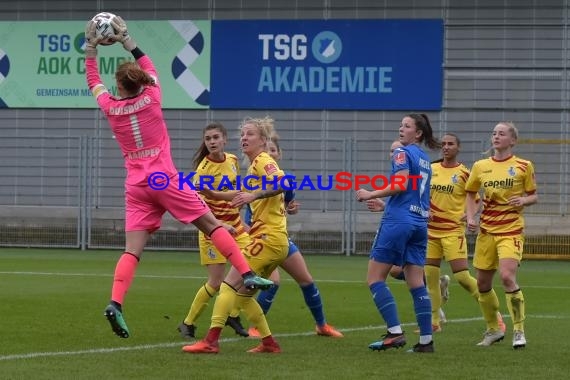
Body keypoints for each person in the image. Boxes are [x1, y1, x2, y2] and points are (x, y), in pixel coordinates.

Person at [84, 17, 272, 339]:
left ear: (119, 87)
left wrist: (90, 47)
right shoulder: (152, 96)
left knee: (132, 251)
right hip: (164, 180)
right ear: (141, 82)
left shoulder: (110, 107)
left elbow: (92, 81)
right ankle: (246, 273)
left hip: (136, 186)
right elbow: (150, 65)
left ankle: (116, 303)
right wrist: (128, 39)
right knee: (213, 226)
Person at [182, 116, 289, 354]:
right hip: (271, 240)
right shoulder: (251, 166)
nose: (244, 138)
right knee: (244, 294)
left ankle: (210, 341)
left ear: (262, 140)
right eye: (243, 134)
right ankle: (269, 343)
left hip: (267, 239)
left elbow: (284, 183)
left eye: (250, 134)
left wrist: (254, 196)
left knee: (227, 286)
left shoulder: (262, 160)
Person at [356, 113, 440, 353]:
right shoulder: (424, 159)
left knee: (375, 279)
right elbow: (415, 195)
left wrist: (370, 194)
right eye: (401, 125)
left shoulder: (401, 152)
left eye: (406, 126)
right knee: (416, 283)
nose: (400, 129)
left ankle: (394, 333)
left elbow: (401, 184)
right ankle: (426, 342)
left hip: (399, 223)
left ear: (418, 132)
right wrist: (387, 206)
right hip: (419, 224)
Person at [247, 135, 343, 338]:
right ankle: (254, 326)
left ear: (279, 154)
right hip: (261, 238)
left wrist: (290, 208)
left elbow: (284, 204)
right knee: (267, 283)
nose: (269, 154)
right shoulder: (254, 177)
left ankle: (321, 325)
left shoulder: (283, 179)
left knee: (306, 280)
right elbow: (251, 212)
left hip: (281, 238)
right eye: (267, 150)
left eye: (273, 150)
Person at [465, 122, 537, 349]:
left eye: (501, 133)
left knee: (506, 276)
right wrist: (470, 217)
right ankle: (494, 329)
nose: (496, 136)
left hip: (511, 229)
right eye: (494, 133)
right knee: (483, 283)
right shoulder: (480, 166)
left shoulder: (524, 166)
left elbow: (534, 195)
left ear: (512, 140)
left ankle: (518, 331)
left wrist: (523, 200)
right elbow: (470, 193)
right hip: (487, 231)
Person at [177, 122, 251, 339]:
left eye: (215, 137)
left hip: (236, 227)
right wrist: (219, 225)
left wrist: (241, 218)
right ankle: (187, 323)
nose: (212, 142)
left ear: (225, 139)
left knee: (255, 269)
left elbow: (237, 192)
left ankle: (233, 313)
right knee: (217, 282)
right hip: (214, 231)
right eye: (208, 138)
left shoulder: (233, 160)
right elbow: (199, 207)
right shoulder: (203, 171)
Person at [426, 133, 505, 333]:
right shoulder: (432, 169)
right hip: (431, 232)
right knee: (431, 277)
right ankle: (434, 322)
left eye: (450, 144)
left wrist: (467, 215)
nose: (445, 147)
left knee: (462, 277)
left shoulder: (464, 173)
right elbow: (422, 194)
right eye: (443, 144)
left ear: (458, 148)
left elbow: (477, 200)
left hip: (452, 231)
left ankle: (494, 313)